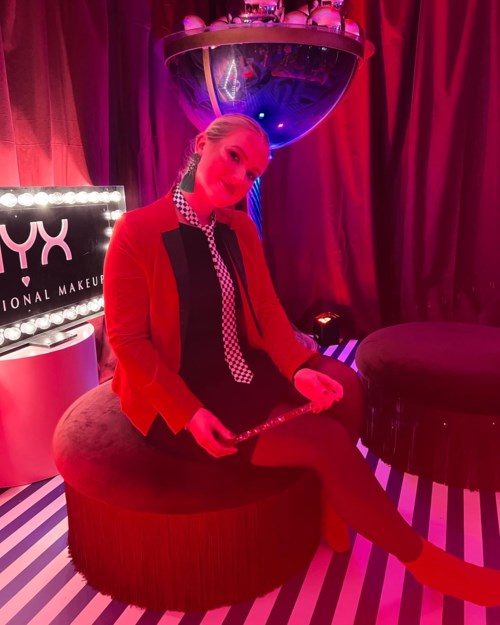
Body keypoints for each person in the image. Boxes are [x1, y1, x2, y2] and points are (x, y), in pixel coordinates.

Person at [103, 113, 499, 607]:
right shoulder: (138, 231)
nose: (240, 177)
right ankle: (428, 565)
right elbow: (128, 341)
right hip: (185, 387)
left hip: (241, 365)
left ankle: (332, 500)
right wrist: (188, 413)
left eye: (252, 173)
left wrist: (297, 369)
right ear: (203, 143)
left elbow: (268, 312)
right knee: (325, 441)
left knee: (345, 386)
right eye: (234, 157)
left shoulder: (239, 228)